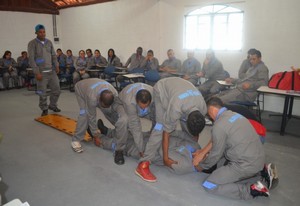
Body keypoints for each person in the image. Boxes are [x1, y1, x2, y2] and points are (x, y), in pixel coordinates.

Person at [193, 97, 278, 200]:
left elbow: (215, 155)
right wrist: (202, 152)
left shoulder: (219, 126)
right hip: (257, 157)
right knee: (221, 165)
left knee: (209, 184)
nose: (209, 117)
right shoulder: (235, 115)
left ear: (211, 110)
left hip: (245, 164)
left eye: (208, 114)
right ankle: (261, 171)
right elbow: (217, 141)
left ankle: (251, 190)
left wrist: (201, 166)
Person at [135, 77, 207, 182]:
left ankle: (151, 140)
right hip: (162, 90)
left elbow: (195, 131)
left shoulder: (202, 109)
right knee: (160, 127)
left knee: (184, 128)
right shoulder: (176, 108)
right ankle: (143, 164)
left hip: (178, 89)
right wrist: (165, 159)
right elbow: (166, 132)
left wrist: (194, 146)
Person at [71, 78, 118, 153]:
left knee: (110, 111)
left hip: (95, 86)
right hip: (81, 90)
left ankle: (119, 130)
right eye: (103, 105)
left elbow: (117, 111)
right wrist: (95, 135)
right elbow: (91, 116)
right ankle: (76, 140)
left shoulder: (114, 93)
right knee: (84, 114)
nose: (103, 107)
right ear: (99, 100)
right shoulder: (92, 98)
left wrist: (122, 125)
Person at [28, 24, 61, 116]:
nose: (42, 34)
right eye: (40, 32)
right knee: (42, 92)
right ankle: (44, 108)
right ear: (36, 33)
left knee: (57, 90)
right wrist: (36, 72)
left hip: (51, 71)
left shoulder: (49, 42)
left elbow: (53, 55)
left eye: (44, 32)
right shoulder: (32, 43)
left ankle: (53, 105)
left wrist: (57, 65)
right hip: (41, 73)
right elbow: (31, 59)